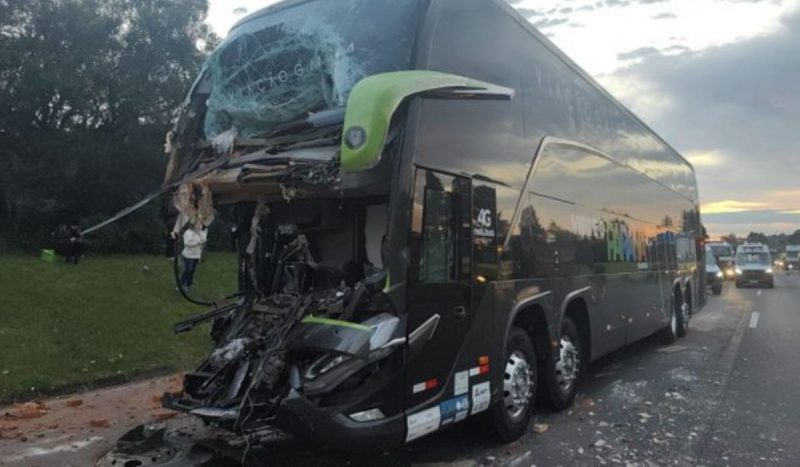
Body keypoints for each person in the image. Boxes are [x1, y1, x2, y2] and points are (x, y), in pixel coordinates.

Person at [180, 223, 208, 291]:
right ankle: (181, 285)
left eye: (200, 225)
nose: (200, 226)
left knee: (192, 271)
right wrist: (197, 243)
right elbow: (187, 243)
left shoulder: (201, 233)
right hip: (188, 255)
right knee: (188, 270)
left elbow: (204, 240)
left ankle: (189, 285)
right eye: (198, 225)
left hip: (196, 255)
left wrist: (201, 238)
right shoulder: (188, 233)